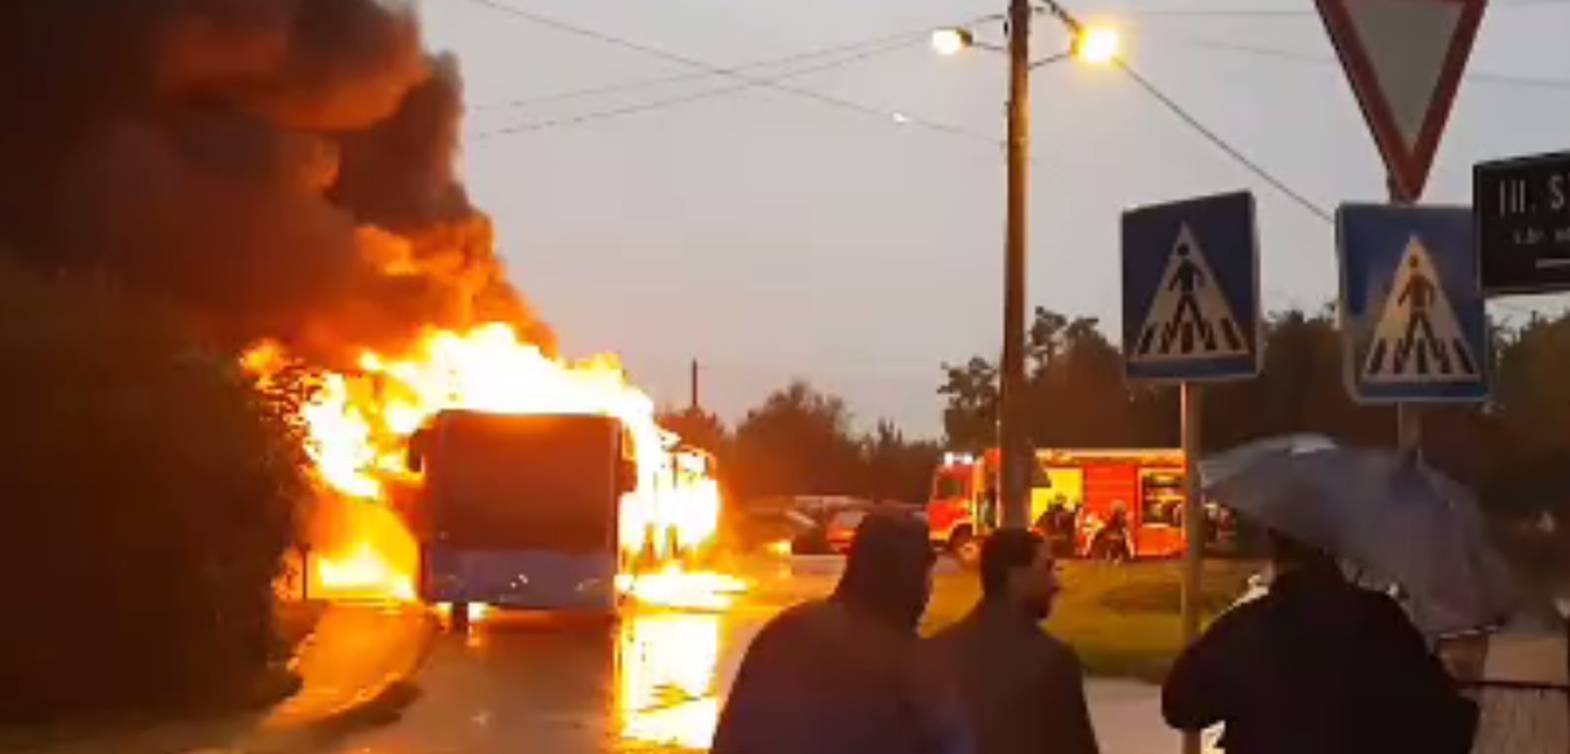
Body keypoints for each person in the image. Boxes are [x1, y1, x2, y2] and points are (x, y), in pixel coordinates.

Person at [1162, 529, 1478, 754]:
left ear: (1275, 554)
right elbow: (1443, 725)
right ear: (1334, 550)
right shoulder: (1379, 619)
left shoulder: (1245, 627)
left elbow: (1180, 706)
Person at [712, 511, 962, 754]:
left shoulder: (785, 632)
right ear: (913, 578)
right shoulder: (914, 668)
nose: (930, 589)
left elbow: (732, 736)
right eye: (926, 574)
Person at [926, 528, 1100, 754]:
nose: (1056, 584)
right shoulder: (1051, 662)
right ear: (1015, 576)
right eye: (1046, 568)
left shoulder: (937, 651)